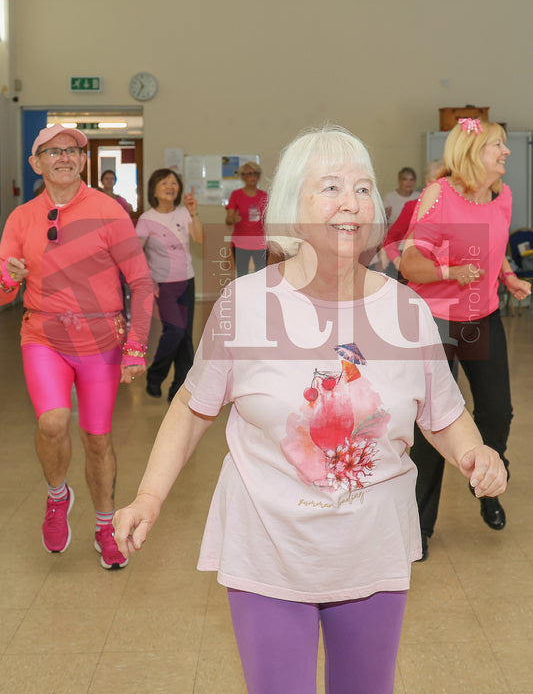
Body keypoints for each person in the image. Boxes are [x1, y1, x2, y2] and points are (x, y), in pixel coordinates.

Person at [114, 125, 506, 694]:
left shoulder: (406, 310)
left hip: (372, 551)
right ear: (292, 210)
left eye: (363, 188)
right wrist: (149, 496)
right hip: (268, 548)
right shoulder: (244, 305)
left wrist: (474, 453)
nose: (351, 201)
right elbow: (193, 407)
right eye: (330, 186)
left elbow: (443, 412)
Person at [0, 124, 153, 569]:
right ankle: (57, 496)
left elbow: (141, 282)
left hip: (100, 340)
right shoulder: (21, 218)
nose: (64, 157)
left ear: (83, 161)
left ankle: (105, 526)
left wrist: (137, 346)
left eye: (72, 151)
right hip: (43, 334)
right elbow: (3, 293)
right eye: (53, 152)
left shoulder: (109, 212)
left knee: (97, 439)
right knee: (53, 422)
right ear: (36, 164)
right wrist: (9, 276)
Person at [400, 118, 531, 560]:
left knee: (497, 412)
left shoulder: (504, 197)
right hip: (437, 320)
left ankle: (488, 484)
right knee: (436, 424)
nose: (506, 152)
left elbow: (493, 254)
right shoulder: (440, 194)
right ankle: (417, 528)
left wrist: (509, 278)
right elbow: (409, 264)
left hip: (482, 316)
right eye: (498, 145)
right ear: (473, 151)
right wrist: (451, 273)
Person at [136, 169, 204, 402]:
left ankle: (179, 386)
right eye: (164, 182)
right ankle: (155, 376)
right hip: (162, 283)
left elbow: (200, 239)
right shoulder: (147, 219)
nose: (170, 186)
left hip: (187, 280)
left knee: (185, 337)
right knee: (174, 331)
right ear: (154, 189)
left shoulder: (185, 213)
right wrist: (148, 277)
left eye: (174, 182)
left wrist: (194, 214)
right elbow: (136, 252)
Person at [380, 160, 443, 277]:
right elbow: (390, 238)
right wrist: (397, 260)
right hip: (419, 275)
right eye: (437, 179)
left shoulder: (458, 207)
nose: (443, 184)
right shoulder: (413, 206)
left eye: (447, 179)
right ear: (428, 182)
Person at [225, 161, 268, 276]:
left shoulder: (264, 196)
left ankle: (258, 295)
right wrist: (233, 218)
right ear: (243, 177)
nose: (252, 177)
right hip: (241, 244)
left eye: (255, 173)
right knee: (242, 275)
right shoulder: (236, 195)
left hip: (261, 244)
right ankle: (243, 295)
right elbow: (228, 220)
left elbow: (269, 218)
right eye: (249, 174)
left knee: (261, 276)